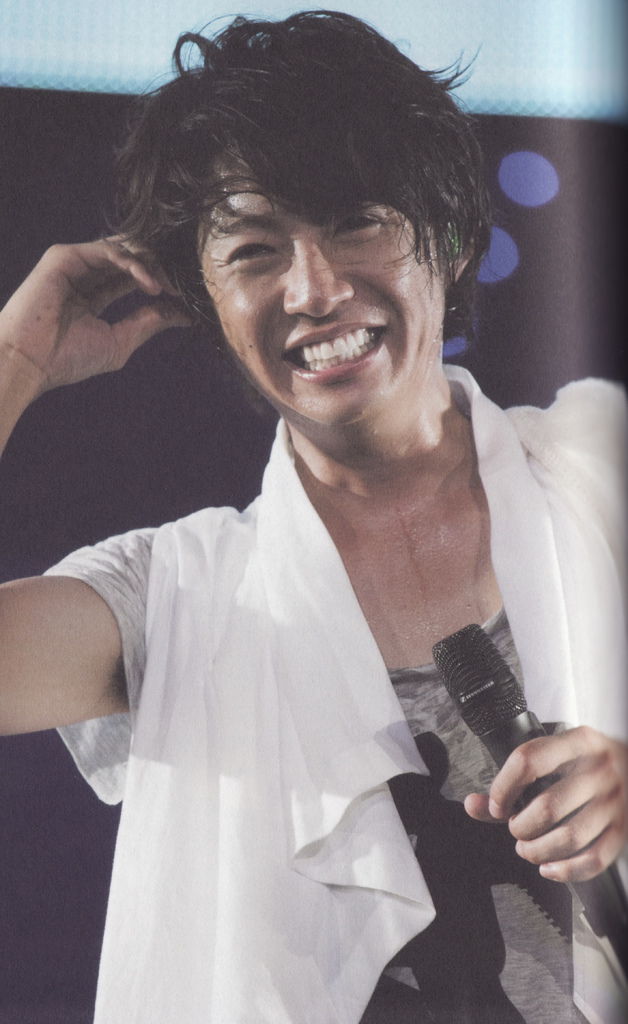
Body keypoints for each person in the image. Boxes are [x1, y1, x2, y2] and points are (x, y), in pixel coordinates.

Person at [0, 10, 626, 1023]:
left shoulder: (602, 465)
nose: (315, 289)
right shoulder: (175, 593)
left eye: (356, 221)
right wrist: (16, 355)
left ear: (451, 238)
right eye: (255, 251)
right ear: (204, 301)